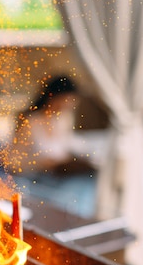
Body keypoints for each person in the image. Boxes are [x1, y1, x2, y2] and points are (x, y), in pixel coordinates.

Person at [8, 76, 96, 218]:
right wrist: (41, 163)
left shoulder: (62, 120)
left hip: (59, 179)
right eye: (66, 101)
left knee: (89, 180)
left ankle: (80, 221)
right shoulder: (30, 124)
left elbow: (68, 145)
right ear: (54, 97)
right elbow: (13, 163)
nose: (69, 106)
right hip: (38, 184)